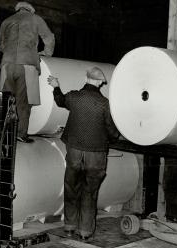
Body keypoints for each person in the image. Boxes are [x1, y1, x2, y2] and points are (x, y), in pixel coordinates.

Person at [47, 67, 120, 240]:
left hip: (74, 150)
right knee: (90, 191)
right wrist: (116, 137)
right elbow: (111, 131)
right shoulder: (104, 103)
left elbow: (60, 100)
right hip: (95, 153)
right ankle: (85, 231)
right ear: (100, 83)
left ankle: (70, 226)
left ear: (86, 78)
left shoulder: (74, 97)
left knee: (71, 186)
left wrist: (56, 86)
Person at [0, 1, 55, 143]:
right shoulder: (36, 19)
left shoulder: (6, 21)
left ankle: (5, 134)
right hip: (27, 65)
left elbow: (1, 45)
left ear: (18, 10)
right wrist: (46, 53)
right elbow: (49, 38)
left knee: (7, 101)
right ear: (31, 10)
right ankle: (21, 134)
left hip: (7, 65)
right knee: (24, 101)